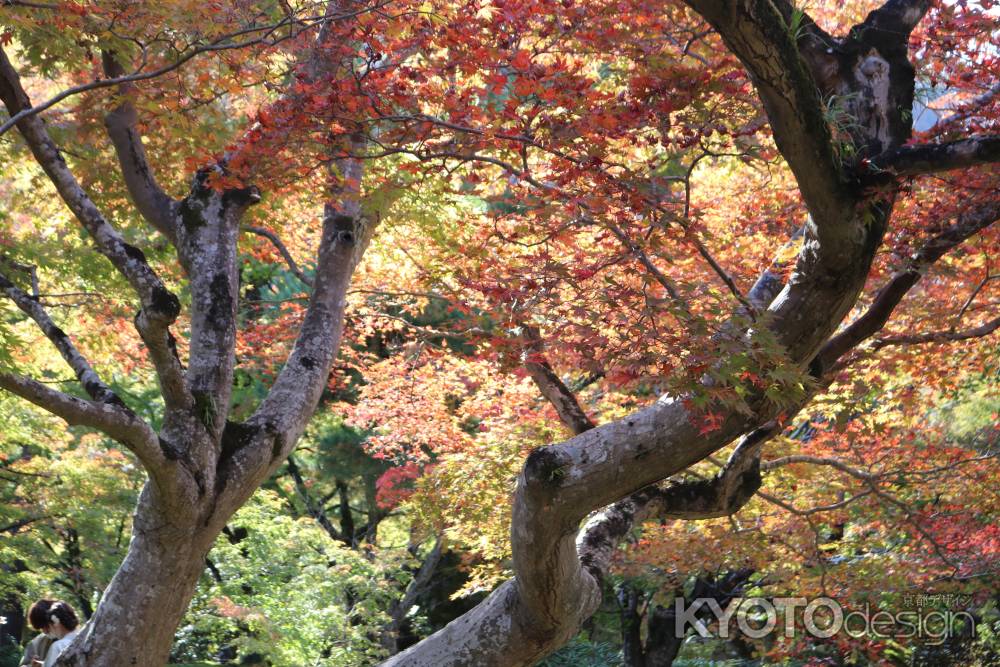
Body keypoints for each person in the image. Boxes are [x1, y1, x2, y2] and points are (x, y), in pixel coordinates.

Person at [40, 601, 79, 667]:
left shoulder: (58, 646)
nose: (50, 630)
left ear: (55, 623)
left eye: (50, 626)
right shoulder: (85, 639)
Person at [18, 600, 54, 667]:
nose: (45, 631)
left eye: (46, 626)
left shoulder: (73, 640)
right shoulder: (36, 643)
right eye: (41, 628)